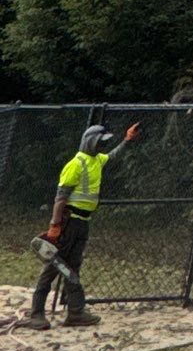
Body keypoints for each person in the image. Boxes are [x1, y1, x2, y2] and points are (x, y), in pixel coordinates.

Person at [21, 121, 141, 330]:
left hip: (83, 223)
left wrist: (127, 141)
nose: (102, 147)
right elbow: (60, 198)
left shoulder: (97, 160)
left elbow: (113, 156)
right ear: (89, 142)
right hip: (69, 223)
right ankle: (37, 313)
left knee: (73, 267)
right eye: (99, 143)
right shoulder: (75, 164)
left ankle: (75, 312)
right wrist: (55, 226)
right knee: (54, 266)